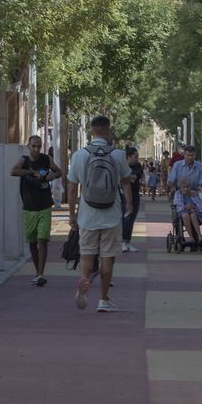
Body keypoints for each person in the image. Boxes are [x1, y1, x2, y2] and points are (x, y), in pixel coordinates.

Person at [67, 115, 133, 313]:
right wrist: (129, 204)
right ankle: (104, 299)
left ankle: (84, 281)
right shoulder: (118, 155)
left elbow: (72, 188)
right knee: (108, 257)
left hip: (87, 215)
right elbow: (126, 182)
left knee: (87, 253)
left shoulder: (79, 155)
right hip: (111, 214)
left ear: (91, 130)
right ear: (108, 130)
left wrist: (72, 214)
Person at [11, 135, 63, 286]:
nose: (36, 149)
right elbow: (13, 171)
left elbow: (59, 172)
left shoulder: (46, 159)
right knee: (32, 242)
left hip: (45, 205)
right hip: (29, 207)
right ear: (28, 146)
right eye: (33, 146)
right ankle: (37, 272)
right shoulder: (24, 161)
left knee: (43, 240)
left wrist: (52, 176)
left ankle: (41, 274)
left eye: (38, 146)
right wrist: (30, 172)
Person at [122, 145, 145, 253]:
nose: (137, 159)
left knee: (131, 219)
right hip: (124, 195)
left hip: (135, 194)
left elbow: (136, 177)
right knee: (126, 217)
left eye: (137, 157)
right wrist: (129, 176)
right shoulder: (122, 166)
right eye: (135, 157)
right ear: (128, 156)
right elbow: (125, 178)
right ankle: (122, 242)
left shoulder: (138, 166)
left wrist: (129, 176)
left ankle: (127, 242)